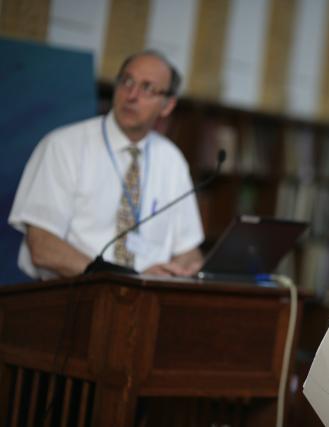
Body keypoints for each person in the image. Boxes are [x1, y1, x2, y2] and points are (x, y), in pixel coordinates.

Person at [9, 50, 204, 279]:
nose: (131, 95)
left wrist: (181, 269)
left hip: (146, 302)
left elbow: (189, 251)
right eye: (127, 81)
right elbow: (43, 247)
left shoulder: (172, 160)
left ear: (167, 106)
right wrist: (125, 279)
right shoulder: (64, 145)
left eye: (147, 88)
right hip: (72, 297)